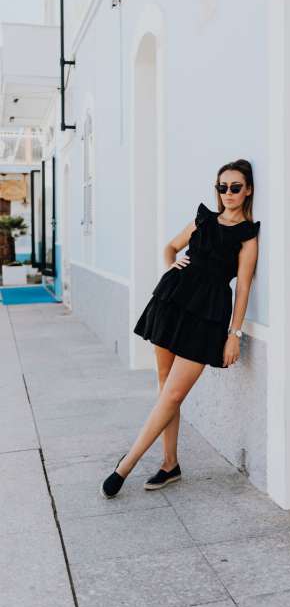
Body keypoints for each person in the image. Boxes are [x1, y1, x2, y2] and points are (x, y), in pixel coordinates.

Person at [100, 159, 261, 498]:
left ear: (247, 190)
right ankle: (169, 463)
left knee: (173, 393)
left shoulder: (247, 236)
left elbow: (243, 287)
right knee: (164, 386)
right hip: (172, 301)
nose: (228, 193)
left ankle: (126, 465)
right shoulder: (203, 219)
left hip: (208, 316)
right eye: (222, 187)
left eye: (235, 187)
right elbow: (171, 246)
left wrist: (234, 335)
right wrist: (172, 262)